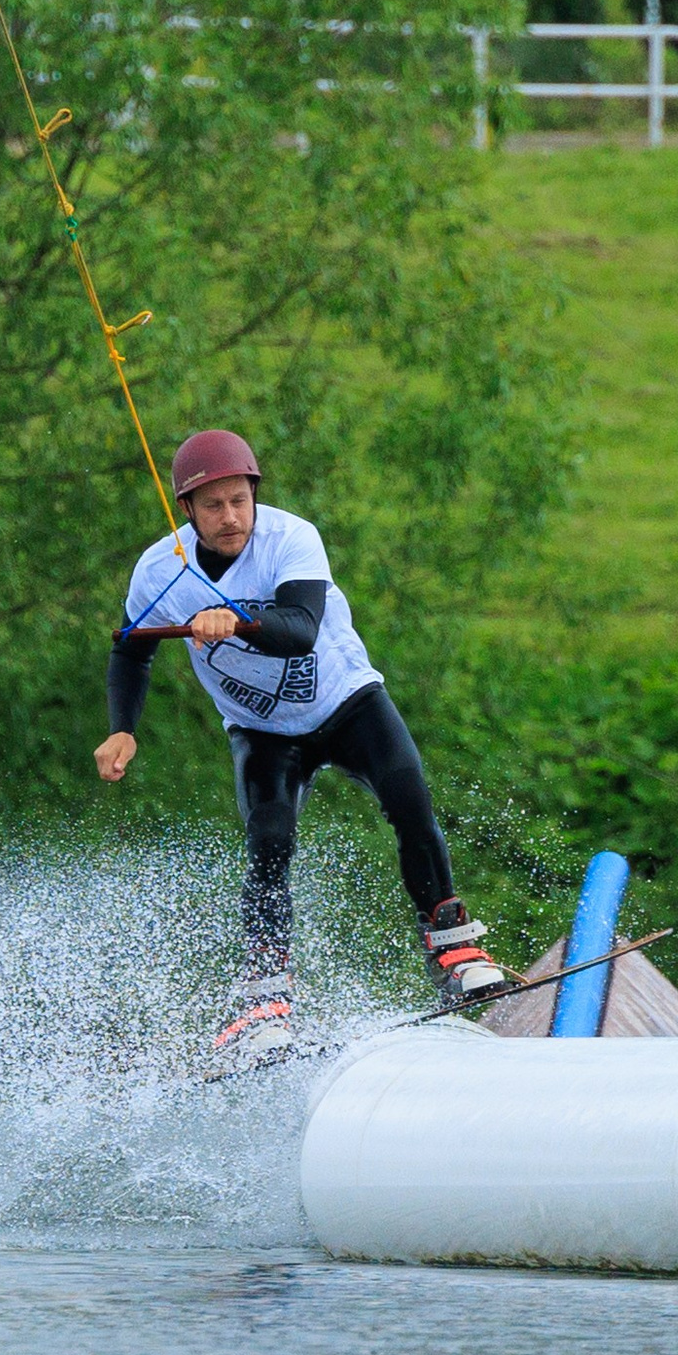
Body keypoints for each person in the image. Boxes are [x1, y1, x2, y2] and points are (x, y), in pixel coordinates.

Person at [94, 426, 506, 1057]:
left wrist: (236, 620)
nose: (231, 518)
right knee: (269, 838)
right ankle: (263, 998)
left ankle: (453, 948)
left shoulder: (292, 539)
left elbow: (300, 630)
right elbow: (132, 651)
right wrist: (123, 727)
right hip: (261, 729)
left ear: (254, 495)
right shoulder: (159, 572)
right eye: (213, 506)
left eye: (240, 501)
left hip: (346, 701)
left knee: (409, 799)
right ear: (187, 511)